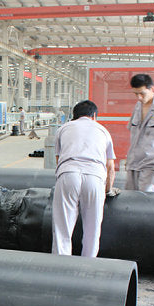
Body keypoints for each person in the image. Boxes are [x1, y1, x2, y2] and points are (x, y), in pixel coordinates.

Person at [51, 100, 117, 258]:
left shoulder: (63, 129)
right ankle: (87, 266)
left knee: (62, 228)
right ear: (94, 116)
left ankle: (59, 266)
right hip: (95, 177)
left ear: (74, 116)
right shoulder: (103, 130)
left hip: (68, 174)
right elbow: (110, 167)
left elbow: (59, 160)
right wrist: (107, 190)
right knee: (92, 230)